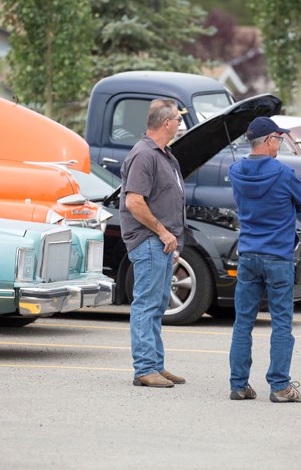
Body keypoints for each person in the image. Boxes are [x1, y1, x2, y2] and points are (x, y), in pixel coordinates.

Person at [228, 116, 301, 403]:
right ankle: (279, 386)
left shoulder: (235, 170)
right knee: (282, 323)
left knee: (243, 323)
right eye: (279, 138)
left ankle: (239, 385)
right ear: (268, 141)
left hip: (248, 253)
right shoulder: (284, 173)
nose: (281, 143)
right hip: (277, 255)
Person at [119, 98, 187, 388]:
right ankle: (145, 368)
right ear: (166, 123)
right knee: (146, 305)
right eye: (178, 120)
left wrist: (173, 240)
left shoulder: (164, 154)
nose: (180, 125)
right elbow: (134, 201)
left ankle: (156, 364)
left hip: (162, 243)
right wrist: (162, 232)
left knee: (157, 304)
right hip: (149, 240)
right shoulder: (143, 155)